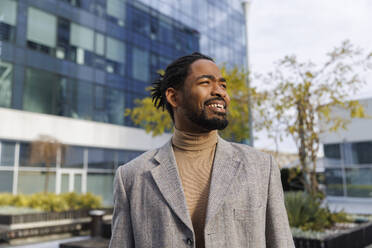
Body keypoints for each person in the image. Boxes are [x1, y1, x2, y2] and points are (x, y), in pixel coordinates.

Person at [109, 52, 294, 248]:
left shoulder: (262, 167)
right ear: (173, 97)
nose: (221, 92)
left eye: (223, 85)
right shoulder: (131, 176)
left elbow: (281, 241)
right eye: (206, 82)